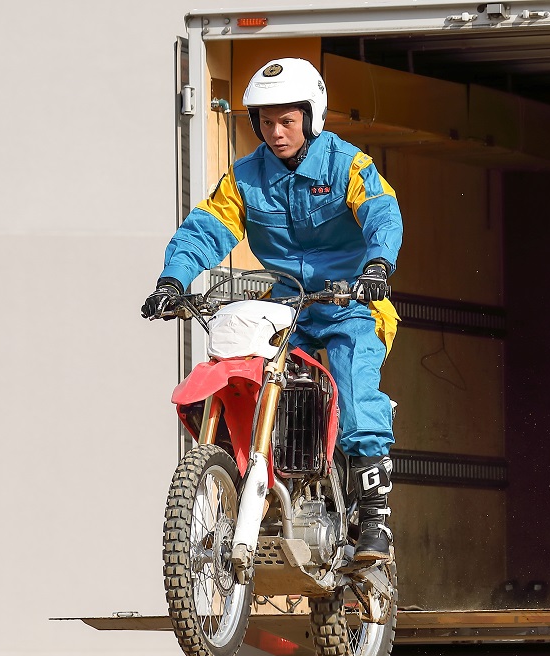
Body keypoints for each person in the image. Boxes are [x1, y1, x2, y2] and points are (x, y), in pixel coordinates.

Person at [141, 57, 403, 562]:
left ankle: (374, 520)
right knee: (256, 385)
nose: (276, 132)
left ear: (311, 116)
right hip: (285, 311)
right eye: (265, 121)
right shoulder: (245, 179)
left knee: (351, 385)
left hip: (351, 303)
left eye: (287, 120)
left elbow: (381, 213)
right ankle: (265, 491)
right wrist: (173, 280)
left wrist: (376, 268)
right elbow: (205, 230)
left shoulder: (347, 164)